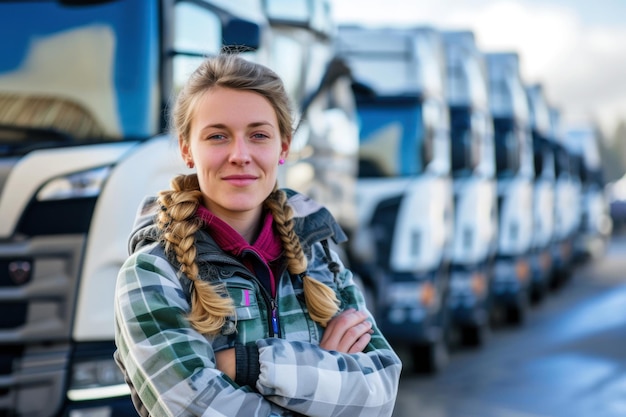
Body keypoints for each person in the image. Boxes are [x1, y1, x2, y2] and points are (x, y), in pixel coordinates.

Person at [113, 53, 402, 417]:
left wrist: (249, 364)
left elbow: (380, 394)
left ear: (283, 147)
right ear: (187, 149)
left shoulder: (319, 257)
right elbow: (195, 409)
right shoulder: (152, 274)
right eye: (217, 136)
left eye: (258, 135)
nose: (239, 154)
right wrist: (326, 371)